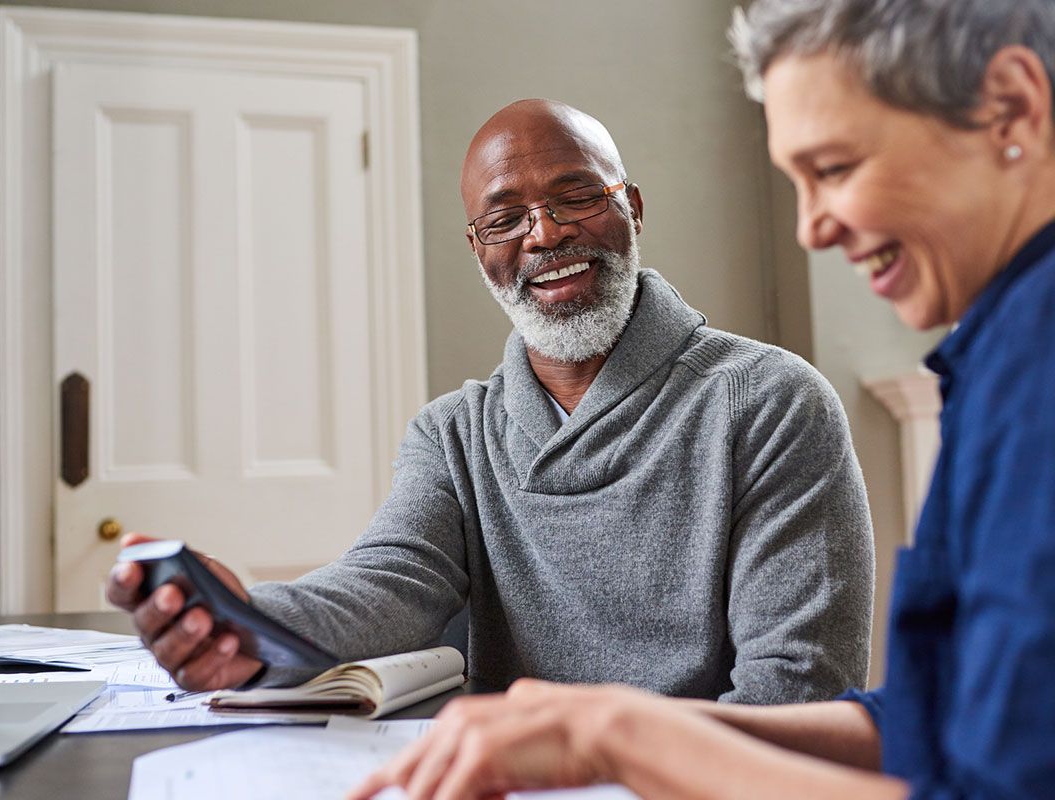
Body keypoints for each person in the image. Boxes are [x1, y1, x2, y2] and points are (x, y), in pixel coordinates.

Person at [349, 1, 1055, 798]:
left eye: (835, 168)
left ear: (1012, 107)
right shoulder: (1000, 355)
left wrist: (615, 733)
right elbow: (929, 722)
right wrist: (605, 728)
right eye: (796, 181)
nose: (809, 230)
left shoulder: (1036, 366)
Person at [106, 99, 875, 704]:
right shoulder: (453, 435)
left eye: (576, 197)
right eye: (505, 218)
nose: (544, 235)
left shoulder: (771, 402)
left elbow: (795, 696)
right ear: (481, 252)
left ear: (633, 209)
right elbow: (388, 586)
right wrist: (247, 617)